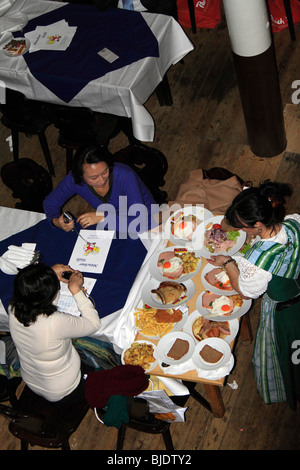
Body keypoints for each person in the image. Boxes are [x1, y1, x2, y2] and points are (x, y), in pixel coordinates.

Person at [207, 181, 300, 410]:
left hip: (285, 310)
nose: (242, 231)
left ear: (257, 225)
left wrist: (228, 262)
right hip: (295, 285)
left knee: (287, 354)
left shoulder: (260, 257)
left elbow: (246, 290)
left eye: (244, 227)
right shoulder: (293, 222)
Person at [8, 263, 101, 406]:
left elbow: (39, 302)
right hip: (65, 390)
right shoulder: (55, 322)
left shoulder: (14, 307)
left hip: (32, 379)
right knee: (103, 352)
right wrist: (76, 290)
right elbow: (94, 324)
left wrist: (48, 276)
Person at [43, 145, 158, 236]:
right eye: (93, 178)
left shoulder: (125, 176)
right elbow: (50, 202)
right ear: (80, 175)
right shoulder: (74, 179)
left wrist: (103, 217)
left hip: (148, 225)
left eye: (105, 172)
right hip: (114, 225)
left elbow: (139, 223)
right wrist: (56, 221)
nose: (101, 180)